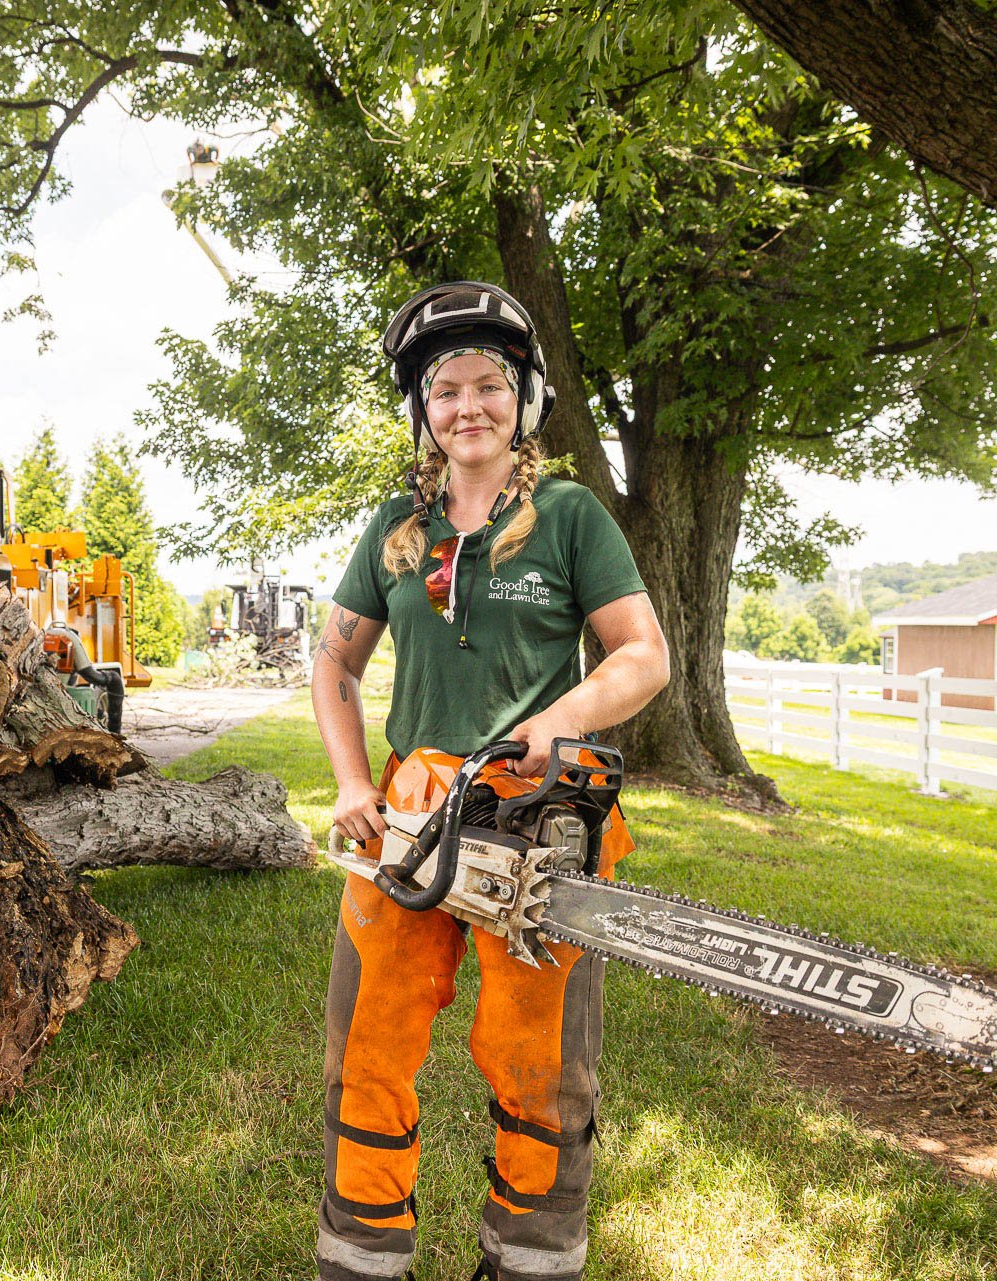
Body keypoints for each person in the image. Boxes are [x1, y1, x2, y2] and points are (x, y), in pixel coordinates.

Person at [311, 281, 669, 1281]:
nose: (468, 407)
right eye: (446, 391)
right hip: (414, 809)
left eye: (489, 387)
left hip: (535, 813)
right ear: (421, 412)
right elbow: (333, 662)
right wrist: (350, 781)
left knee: (540, 1063)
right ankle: (362, 1258)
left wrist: (560, 720)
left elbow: (642, 654)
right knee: (368, 1045)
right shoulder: (396, 527)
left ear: (527, 400)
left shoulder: (568, 517)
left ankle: (529, 1260)